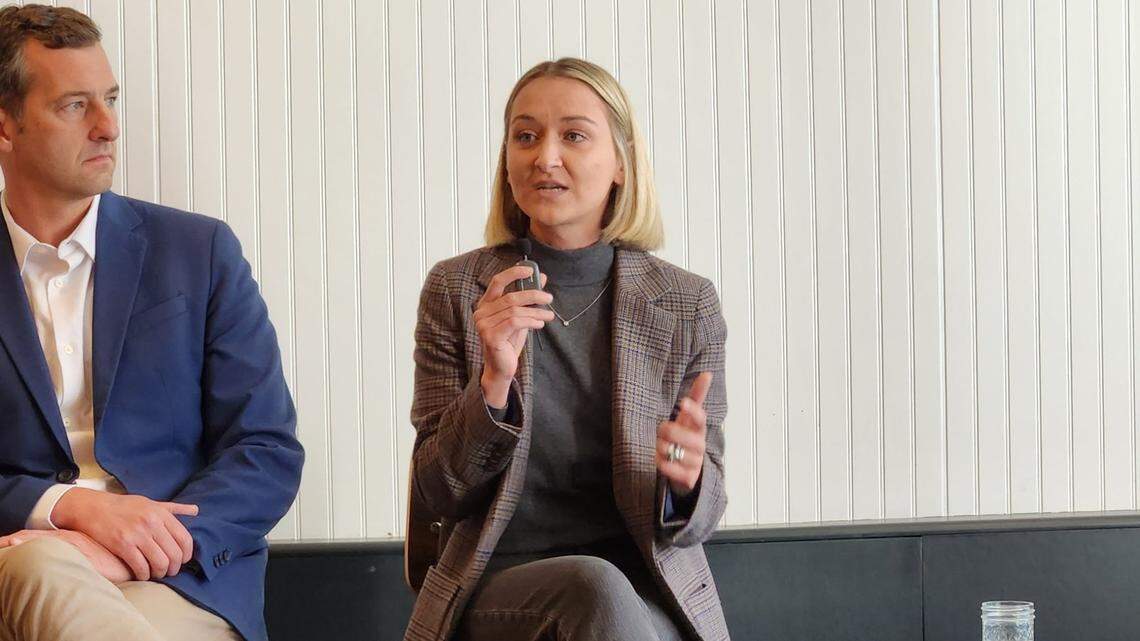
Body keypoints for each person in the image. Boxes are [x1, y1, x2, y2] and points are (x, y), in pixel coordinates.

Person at [0, 6, 303, 641]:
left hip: (182, 578)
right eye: (75, 106)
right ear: (5, 124)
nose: (108, 127)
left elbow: (265, 448)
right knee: (38, 565)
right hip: (18, 561)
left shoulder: (197, 251)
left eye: (110, 99)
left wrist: (140, 547)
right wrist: (70, 508)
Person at [405, 57, 730, 641]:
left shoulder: (686, 303)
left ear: (621, 166)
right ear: (507, 163)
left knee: (612, 598)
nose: (544, 156)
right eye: (525, 136)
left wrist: (685, 481)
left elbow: (697, 523)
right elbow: (438, 494)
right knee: (592, 587)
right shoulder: (457, 291)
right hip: (502, 585)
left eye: (574, 136)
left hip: (643, 589)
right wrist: (492, 387)